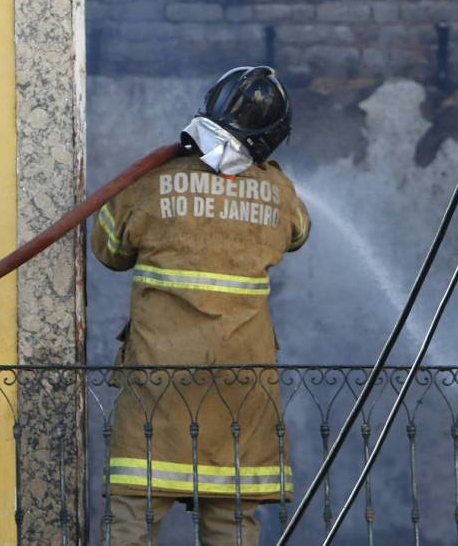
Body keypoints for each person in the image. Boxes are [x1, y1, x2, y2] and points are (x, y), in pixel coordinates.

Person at [92, 66, 310, 545]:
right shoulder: (278, 190)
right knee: (232, 521)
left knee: (134, 516)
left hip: (159, 379)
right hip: (240, 384)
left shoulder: (152, 180)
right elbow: (298, 234)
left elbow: (108, 250)